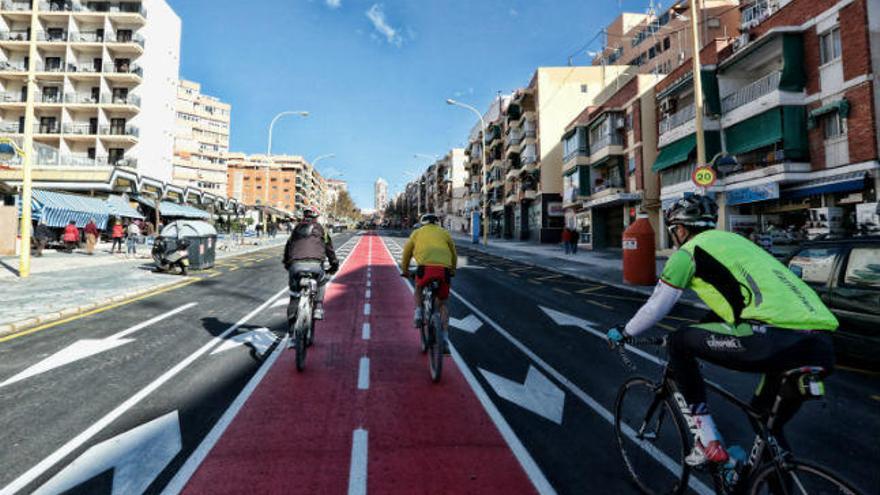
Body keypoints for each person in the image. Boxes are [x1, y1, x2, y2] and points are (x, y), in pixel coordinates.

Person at [606, 195, 837, 466]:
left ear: (680, 229)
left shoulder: (688, 253)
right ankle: (777, 475)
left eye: (674, 232)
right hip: (820, 345)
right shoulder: (738, 244)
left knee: (680, 342)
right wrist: (703, 329)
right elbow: (732, 304)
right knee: (763, 420)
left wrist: (625, 331)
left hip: (768, 338)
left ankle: (707, 441)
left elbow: (656, 307)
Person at [400, 213, 458, 350]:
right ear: (437, 223)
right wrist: (452, 271)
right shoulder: (445, 233)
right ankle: (444, 338)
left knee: (419, 287)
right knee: (443, 304)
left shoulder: (417, 233)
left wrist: (405, 270)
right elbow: (454, 254)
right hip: (444, 270)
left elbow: (407, 253)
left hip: (425, 269)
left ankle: (419, 313)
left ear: (422, 223)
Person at [283, 208, 339, 321]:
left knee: (294, 295)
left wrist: (287, 264)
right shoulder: (322, 230)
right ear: (316, 218)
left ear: (304, 217)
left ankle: (291, 323)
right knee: (322, 281)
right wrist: (334, 264)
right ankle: (318, 308)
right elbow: (329, 249)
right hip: (316, 265)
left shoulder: (295, 229)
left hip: (296, 265)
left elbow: (288, 247)